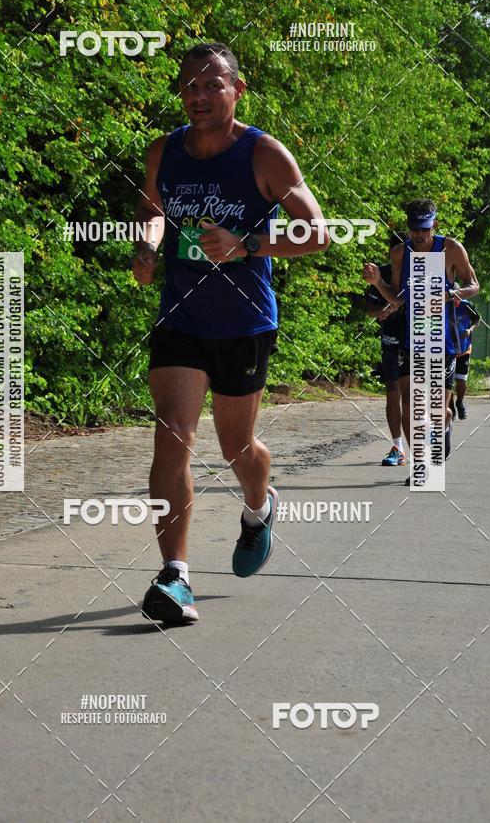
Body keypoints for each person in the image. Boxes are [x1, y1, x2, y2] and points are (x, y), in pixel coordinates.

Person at [132, 42, 330, 624]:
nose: (197, 95)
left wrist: (248, 245)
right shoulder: (164, 151)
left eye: (211, 84)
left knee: (237, 447)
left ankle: (259, 506)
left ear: (236, 90)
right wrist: (147, 244)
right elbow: (154, 208)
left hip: (244, 321)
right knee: (172, 437)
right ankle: (175, 578)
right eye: (189, 86)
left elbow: (316, 232)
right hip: (181, 319)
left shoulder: (264, 154)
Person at [363, 199, 479, 484]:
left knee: (438, 409)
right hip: (411, 337)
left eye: (424, 230)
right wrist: (378, 282)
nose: (419, 235)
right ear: (408, 227)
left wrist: (454, 294)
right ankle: (421, 465)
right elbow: (399, 299)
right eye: (414, 230)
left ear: (435, 225)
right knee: (411, 402)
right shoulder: (400, 253)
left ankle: (445, 424)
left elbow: (474, 285)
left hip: (444, 340)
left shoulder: (451, 249)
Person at [365, 237, 407, 465]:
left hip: (419, 339)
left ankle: (427, 445)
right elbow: (370, 309)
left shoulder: (422, 272)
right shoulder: (380, 273)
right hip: (391, 339)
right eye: (396, 252)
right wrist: (380, 311)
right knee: (393, 390)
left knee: (415, 395)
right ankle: (397, 447)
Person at [451, 292, 480, 419]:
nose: (455, 300)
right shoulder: (442, 305)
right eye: (452, 297)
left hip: (464, 349)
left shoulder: (466, 305)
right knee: (447, 382)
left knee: (461, 382)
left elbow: (477, 319)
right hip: (448, 350)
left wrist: (470, 329)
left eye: (458, 297)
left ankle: (459, 402)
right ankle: (450, 406)